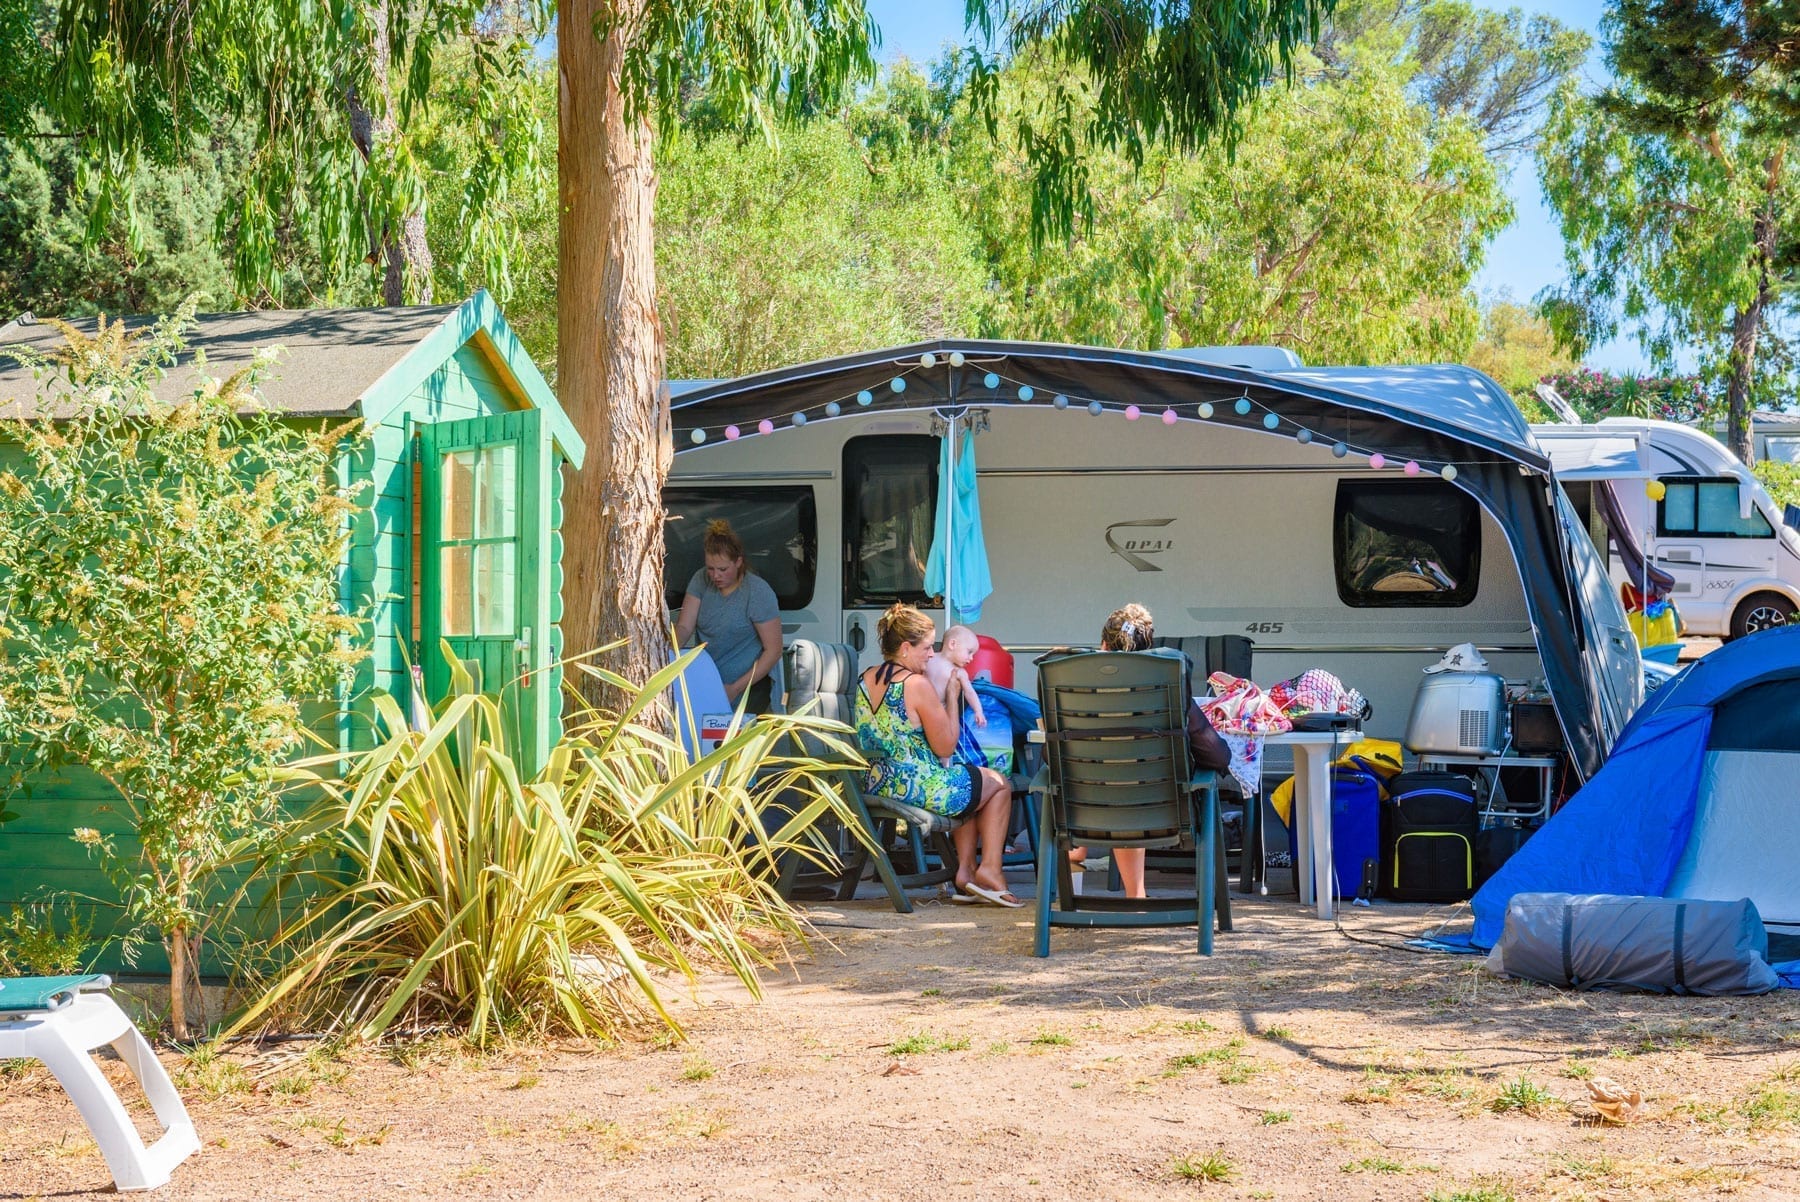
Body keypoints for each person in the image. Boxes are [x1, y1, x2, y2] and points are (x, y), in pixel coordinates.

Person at [855, 603, 1019, 907]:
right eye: (928, 648)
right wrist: (953, 697)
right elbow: (945, 746)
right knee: (1000, 783)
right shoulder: (916, 684)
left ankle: (966, 873)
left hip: (875, 782)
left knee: (971, 781)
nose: (932, 655)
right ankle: (990, 870)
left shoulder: (864, 680)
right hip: (919, 788)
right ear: (906, 648)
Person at [1091, 603, 1234, 899]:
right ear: (1149, 647)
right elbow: (1215, 753)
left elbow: (1049, 757)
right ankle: (1139, 896)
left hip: (1088, 811)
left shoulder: (1076, 686)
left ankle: (1132, 893)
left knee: (1118, 784)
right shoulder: (1165, 683)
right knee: (1134, 785)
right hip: (1163, 810)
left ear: (1103, 645)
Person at [674, 520, 783, 713]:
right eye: (710, 568)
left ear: (739, 562)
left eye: (723, 569)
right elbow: (684, 628)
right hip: (708, 681)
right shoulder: (700, 580)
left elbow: (773, 651)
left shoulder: (757, 591)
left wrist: (735, 688)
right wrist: (668, 649)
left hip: (749, 686)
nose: (715, 575)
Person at [923, 624, 986, 766]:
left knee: (944, 748)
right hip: (923, 711)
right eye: (969, 652)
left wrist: (978, 711)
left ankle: (944, 767)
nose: (971, 658)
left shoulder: (960, 673)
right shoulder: (929, 660)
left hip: (942, 715)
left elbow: (970, 692)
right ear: (952, 644)